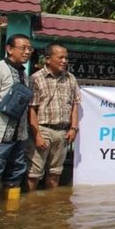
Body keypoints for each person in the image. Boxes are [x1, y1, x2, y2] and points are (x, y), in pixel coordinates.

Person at [26, 42, 81, 190]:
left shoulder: (70, 78)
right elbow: (32, 109)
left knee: (55, 173)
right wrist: (37, 135)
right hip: (43, 130)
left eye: (66, 58)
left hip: (62, 132)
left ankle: (51, 208)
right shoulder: (36, 78)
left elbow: (75, 104)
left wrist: (73, 128)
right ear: (48, 59)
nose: (64, 61)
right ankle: (31, 205)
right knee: (33, 174)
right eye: (61, 57)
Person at [0, 34, 32, 198]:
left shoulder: (25, 76)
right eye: (23, 48)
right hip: (1, 134)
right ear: (9, 49)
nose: (27, 52)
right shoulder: (0, 69)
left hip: (19, 136)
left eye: (29, 49)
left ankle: (11, 214)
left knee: (15, 175)